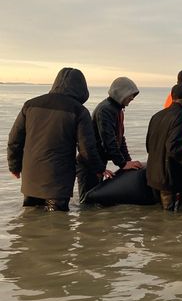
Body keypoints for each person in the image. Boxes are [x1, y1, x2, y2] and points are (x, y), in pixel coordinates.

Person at [7, 68, 111, 211]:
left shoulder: (30, 105)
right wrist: (99, 168)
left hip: (31, 177)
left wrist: (14, 166)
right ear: (82, 87)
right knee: (58, 224)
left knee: (30, 221)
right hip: (58, 180)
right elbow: (86, 148)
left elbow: (14, 140)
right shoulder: (79, 111)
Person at [77, 76, 142, 198]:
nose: (132, 98)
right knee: (87, 201)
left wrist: (127, 161)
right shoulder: (105, 110)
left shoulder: (117, 110)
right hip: (89, 163)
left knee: (94, 202)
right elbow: (108, 140)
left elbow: (120, 139)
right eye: (131, 94)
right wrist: (122, 164)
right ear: (121, 93)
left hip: (99, 162)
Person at [146, 83, 182, 210]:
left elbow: (148, 145)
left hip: (152, 175)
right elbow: (175, 147)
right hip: (169, 178)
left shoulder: (157, 116)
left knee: (159, 217)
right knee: (170, 219)